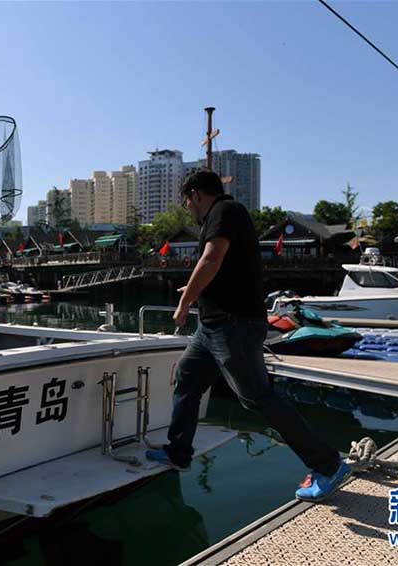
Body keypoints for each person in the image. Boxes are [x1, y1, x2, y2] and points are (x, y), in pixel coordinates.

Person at [145, 169, 351, 502]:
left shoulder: (226, 211)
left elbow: (211, 259)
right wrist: (196, 290)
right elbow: (221, 268)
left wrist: (184, 303)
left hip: (234, 325)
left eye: (187, 202)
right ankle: (177, 451)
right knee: (188, 377)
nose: (189, 210)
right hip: (212, 327)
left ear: (197, 195)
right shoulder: (223, 217)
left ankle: (328, 465)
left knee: (256, 396)